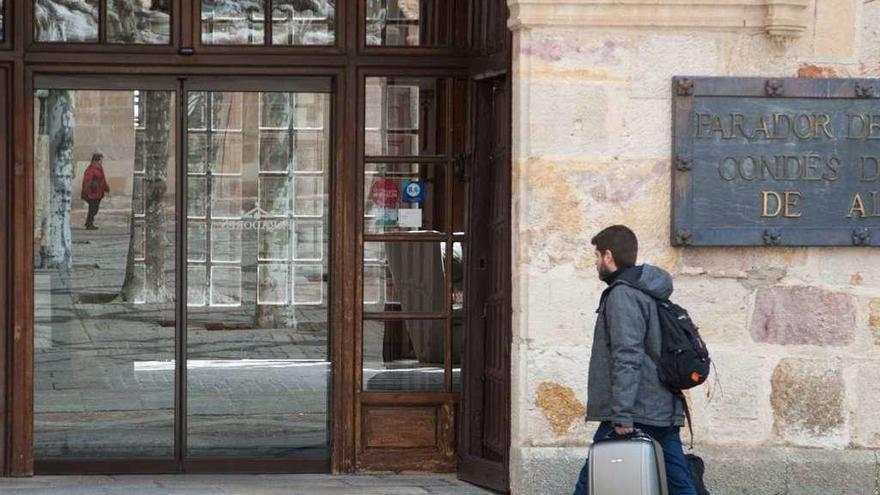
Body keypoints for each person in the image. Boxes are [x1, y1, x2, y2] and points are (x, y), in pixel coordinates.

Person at [573, 225, 697, 495]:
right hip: (660, 407)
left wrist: (622, 415)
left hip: (637, 408)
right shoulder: (646, 290)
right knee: (679, 483)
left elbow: (627, 355)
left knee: (590, 479)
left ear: (608, 256)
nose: (595, 263)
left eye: (596, 256)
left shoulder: (622, 294)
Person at [81, 153, 110, 230]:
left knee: (94, 209)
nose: (102, 161)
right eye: (101, 160)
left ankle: (89, 223)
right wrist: (87, 192)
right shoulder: (91, 169)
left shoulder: (99, 168)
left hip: (97, 192)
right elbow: (87, 181)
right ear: (96, 160)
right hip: (92, 193)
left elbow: (103, 179)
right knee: (93, 209)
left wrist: (106, 188)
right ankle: (89, 224)